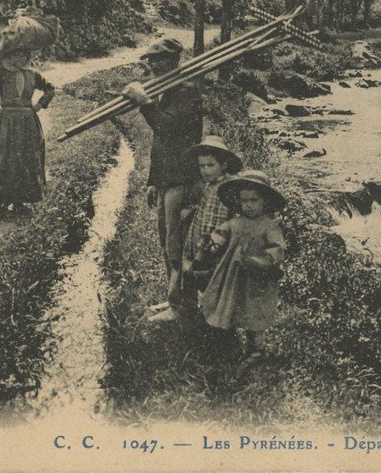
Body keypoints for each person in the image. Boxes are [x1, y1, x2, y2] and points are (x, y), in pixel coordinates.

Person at [122, 37, 208, 323]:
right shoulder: (165, 92)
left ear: (175, 61)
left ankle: (182, 306)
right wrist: (152, 180)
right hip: (167, 179)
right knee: (166, 240)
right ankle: (175, 298)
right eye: (152, 61)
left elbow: (167, 128)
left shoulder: (187, 93)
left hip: (183, 180)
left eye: (162, 60)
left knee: (179, 244)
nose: (156, 66)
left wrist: (144, 103)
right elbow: (159, 144)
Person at [199, 169, 286, 361]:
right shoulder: (235, 223)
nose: (248, 206)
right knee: (231, 303)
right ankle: (226, 340)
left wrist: (263, 261)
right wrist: (215, 243)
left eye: (253, 200)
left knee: (255, 309)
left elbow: (277, 248)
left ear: (265, 202)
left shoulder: (269, 226)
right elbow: (221, 233)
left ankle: (257, 348)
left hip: (257, 278)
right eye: (244, 201)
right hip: (233, 274)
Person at [0, 46, 55, 216]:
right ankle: (3, 204)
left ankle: (19, 202)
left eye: (23, 55)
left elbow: (50, 88)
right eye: (15, 55)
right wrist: (1, 46)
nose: (19, 59)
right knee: (4, 158)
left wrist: (39, 104)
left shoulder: (32, 75)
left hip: (28, 122)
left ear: (26, 57)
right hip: (6, 120)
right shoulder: (2, 74)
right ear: (10, 56)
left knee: (25, 158)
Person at [181, 135, 243, 302]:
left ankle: (212, 320)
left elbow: (213, 225)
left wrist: (203, 250)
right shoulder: (209, 186)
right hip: (204, 247)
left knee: (212, 283)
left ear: (223, 166)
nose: (205, 170)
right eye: (202, 166)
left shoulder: (223, 190)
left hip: (211, 249)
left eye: (210, 165)